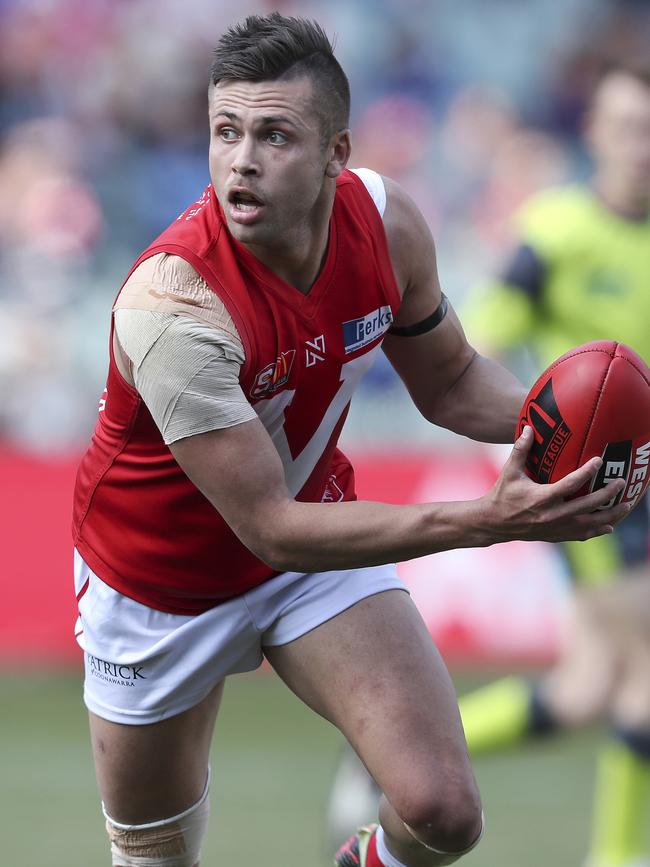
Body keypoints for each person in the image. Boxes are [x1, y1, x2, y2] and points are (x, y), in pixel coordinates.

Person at [71, 15, 630, 867]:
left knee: (443, 810)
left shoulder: (385, 223)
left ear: (337, 153)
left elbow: (448, 383)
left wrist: (580, 434)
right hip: (160, 583)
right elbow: (267, 526)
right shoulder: (171, 303)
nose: (241, 159)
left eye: (274, 135)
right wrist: (492, 517)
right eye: (225, 132)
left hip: (310, 549)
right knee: (154, 856)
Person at [327, 60, 650, 867]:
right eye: (626, 127)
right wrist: (526, 437)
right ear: (594, 133)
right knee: (645, 680)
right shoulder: (558, 233)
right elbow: (486, 337)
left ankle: (394, 755)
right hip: (596, 485)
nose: (641, 147)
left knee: (584, 691)